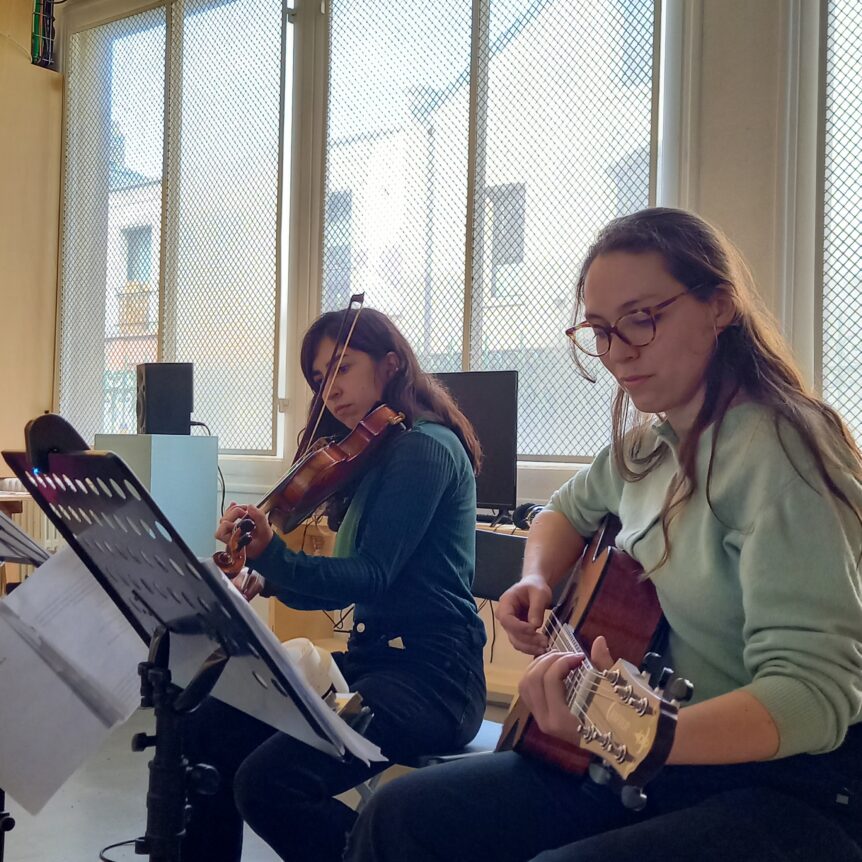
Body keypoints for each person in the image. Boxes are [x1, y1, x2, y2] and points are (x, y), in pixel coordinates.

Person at [343, 207, 862, 862]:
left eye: (642, 318)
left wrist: (636, 733)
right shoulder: (648, 447)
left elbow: (812, 697)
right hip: (648, 763)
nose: (617, 352)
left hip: (780, 788)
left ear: (719, 307)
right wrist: (537, 580)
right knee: (399, 815)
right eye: (600, 330)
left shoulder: (782, 453)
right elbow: (560, 513)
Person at [181, 307, 487, 862]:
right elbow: (342, 586)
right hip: (372, 665)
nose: (330, 390)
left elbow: (371, 576)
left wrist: (273, 554)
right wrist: (264, 576)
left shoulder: (425, 449)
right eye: (321, 379)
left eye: (343, 368)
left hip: (434, 681)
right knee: (207, 733)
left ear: (390, 364)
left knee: (271, 783)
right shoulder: (377, 455)